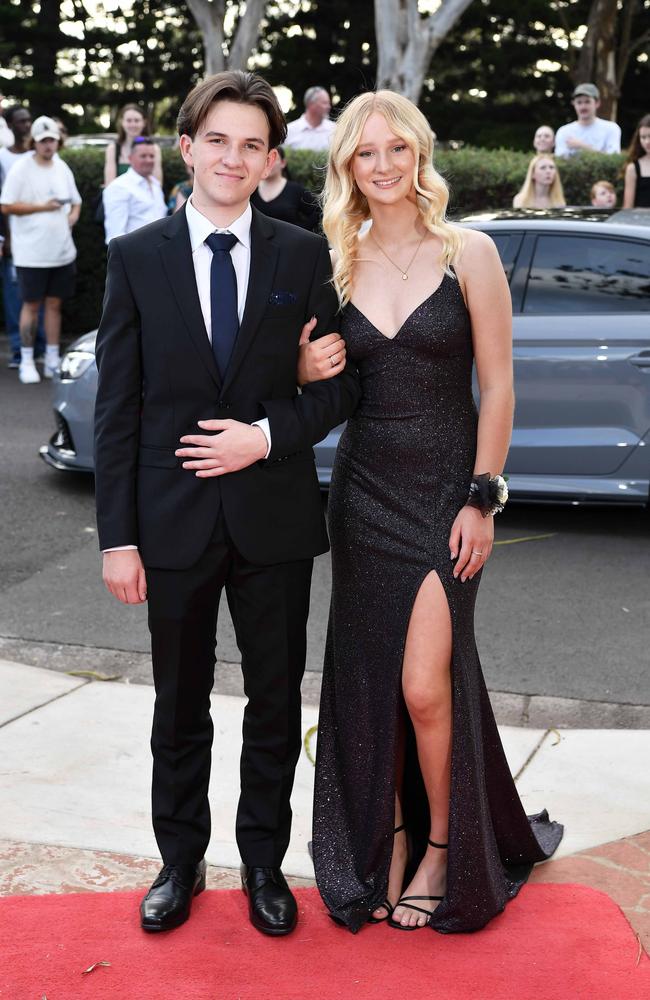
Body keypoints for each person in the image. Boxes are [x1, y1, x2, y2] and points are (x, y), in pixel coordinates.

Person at [94, 70, 359, 939]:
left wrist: (266, 434)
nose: (232, 157)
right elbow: (119, 408)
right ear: (187, 148)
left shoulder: (301, 254)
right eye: (218, 140)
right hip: (169, 523)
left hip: (273, 520)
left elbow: (334, 390)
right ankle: (179, 862)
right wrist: (116, 540)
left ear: (271, 159)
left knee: (276, 701)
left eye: (251, 144)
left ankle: (261, 865)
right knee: (180, 703)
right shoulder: (136, 258)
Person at [300, 90, 562, 933]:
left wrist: (483, 497)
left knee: (423, 686)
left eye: (396, 150)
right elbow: (328, 390)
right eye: (363, 154)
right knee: (378, 683)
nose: (382, 167)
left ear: (420, 154)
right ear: (346, 167)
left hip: (448, 493)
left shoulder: (469, 251)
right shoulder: (336, 259)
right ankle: (397, 837)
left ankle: (447, 844)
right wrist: (306, 375)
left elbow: (500, 385)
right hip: (363, 491)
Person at [0, 115, 81, 384]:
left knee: (55, 305)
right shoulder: (21, 169)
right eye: (44, 140)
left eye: (53, 140)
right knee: (31, 305)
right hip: (30, 254)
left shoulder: (62, 167)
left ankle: (52, 359)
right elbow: (7, 205)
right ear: (34, 141)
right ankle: (25, 358)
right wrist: (43, 207)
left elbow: (76, 202)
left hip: (61, 251)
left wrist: (72, 216)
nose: (49, 145)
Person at [0, 105, 46, 368]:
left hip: (39, 239)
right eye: (21, 121)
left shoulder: (36, 155)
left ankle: (38, 347)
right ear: (10, 125)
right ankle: (19, 350)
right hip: (14, 240)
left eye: (29, 120)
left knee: (37, 296)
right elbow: (3, 203)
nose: (26, 125)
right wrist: (4, 238)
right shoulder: (3, 158)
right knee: (15, 296)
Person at [102, 137, 167, 242]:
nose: (149, 160)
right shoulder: (118, 187)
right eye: (143, 156)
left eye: (152, 156)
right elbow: (115, 237)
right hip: (136, 255)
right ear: (130, 158)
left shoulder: (155, 184)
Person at [251, 146, 320, 230]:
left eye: (273, 159)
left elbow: (317, 212)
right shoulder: (250, 188)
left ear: (283, 163)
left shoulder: (295, 190)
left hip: (290, 242)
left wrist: (300, 232)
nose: (267, 164)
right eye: (265, 159)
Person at [555, 83, 621, 158]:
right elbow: (560, 162)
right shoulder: (564, 132)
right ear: (574, 104)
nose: (583, 107)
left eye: (587, 102)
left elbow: (613, 160)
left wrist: (582, 146)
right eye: (579, 102)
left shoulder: (611, 128)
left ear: (597, 103)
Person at [104, 103, 163, 186]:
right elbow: (109, 185)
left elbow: (157, 184)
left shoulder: (154, 149)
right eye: (129, 120)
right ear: (122, 122)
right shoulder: (113, 149)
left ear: (144, 123)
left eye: (136, 120)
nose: (133, 124)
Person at [285, 86, 335, 151]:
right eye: (324, 103)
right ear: (311, 104)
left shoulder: (335, 130)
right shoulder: (289, 131)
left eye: (328, 103)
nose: (329, 106)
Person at [622, 114, 650, 209]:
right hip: (641, 222)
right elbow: (628, 208)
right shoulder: (633, 168)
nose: (647, 142)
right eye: (643, 137)